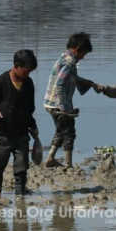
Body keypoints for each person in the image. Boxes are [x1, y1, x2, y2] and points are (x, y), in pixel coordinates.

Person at [0, 49, 41, 197]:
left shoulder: (28, 84)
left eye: (30, 72)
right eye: (26, 71)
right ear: (16, 66)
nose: (27, 74)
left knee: (21, 167)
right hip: (2, 134)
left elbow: (30, 109)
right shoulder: (1, 82)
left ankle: (20, 195)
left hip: (22, 133)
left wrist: (33, 126)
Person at [43, 32, 96, 169]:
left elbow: (72, 78)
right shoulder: (70, 62)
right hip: (58, 104)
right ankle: (68, 164)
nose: (83, 58)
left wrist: (88, 83)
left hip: (50, 103)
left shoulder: (64, 57)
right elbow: (60, 84)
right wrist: (64, 108)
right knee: (69, 132)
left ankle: (50, 158)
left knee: (60, 130)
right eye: (83, 54)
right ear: (77, 49)